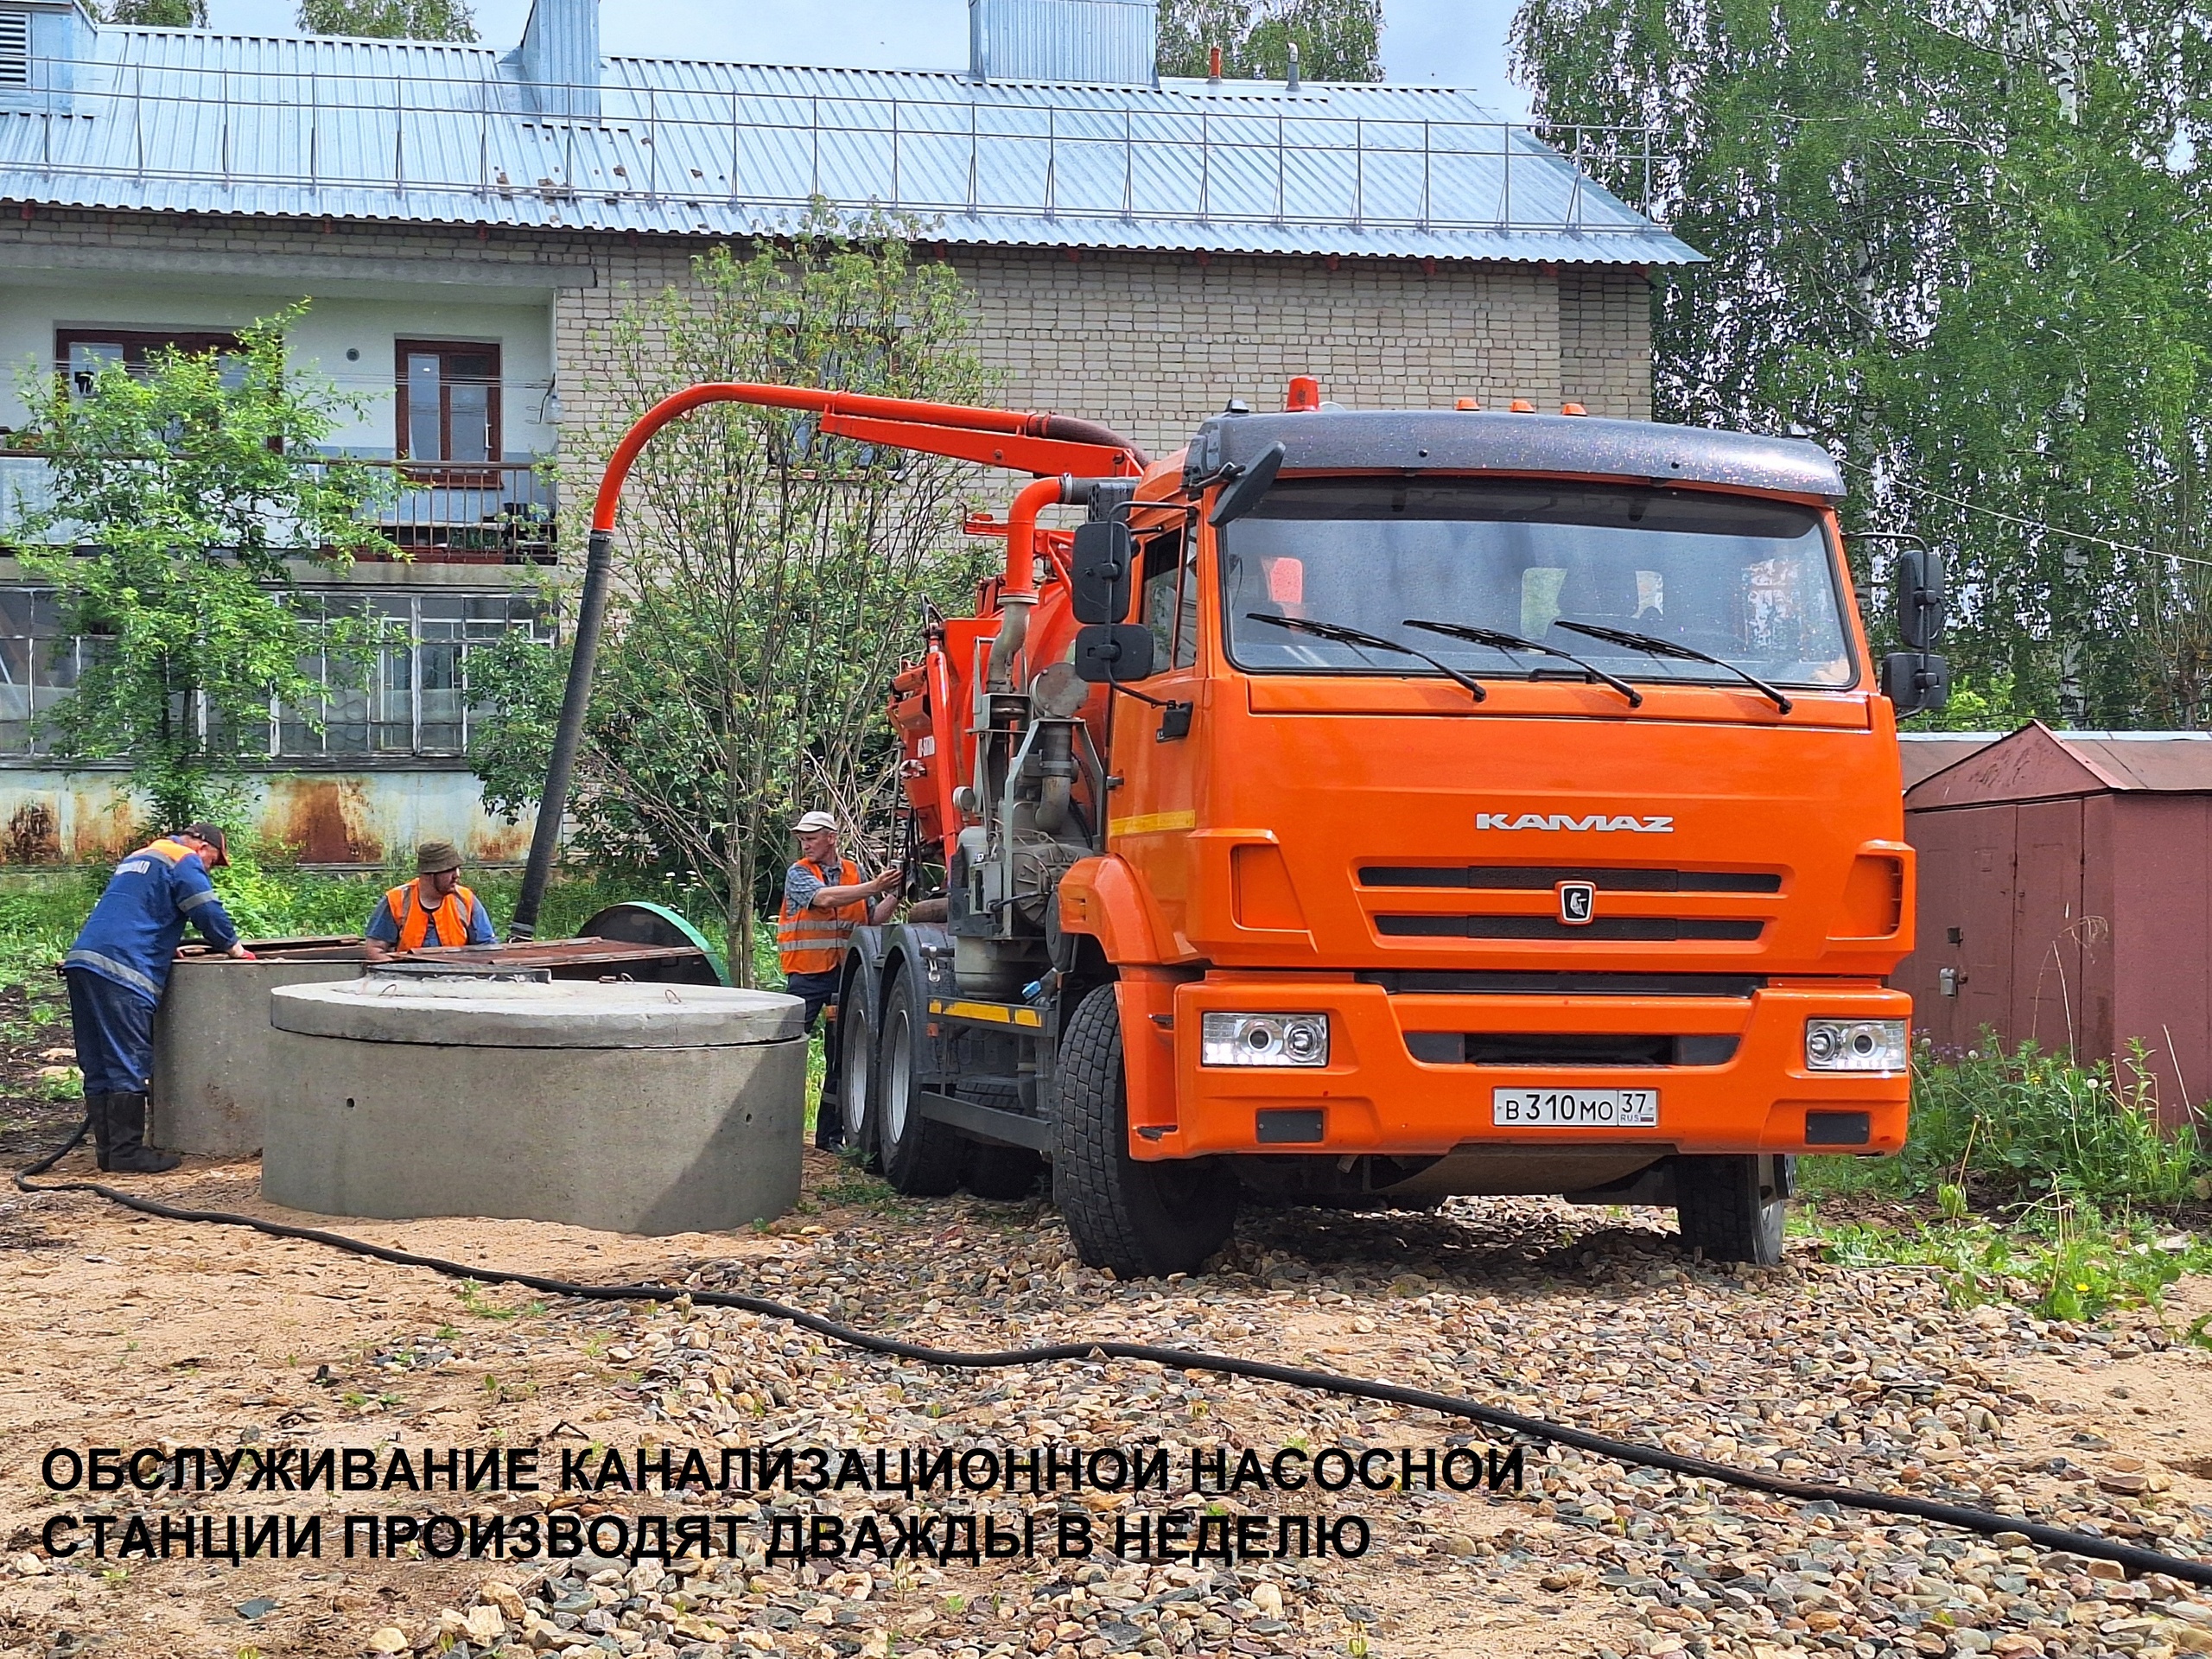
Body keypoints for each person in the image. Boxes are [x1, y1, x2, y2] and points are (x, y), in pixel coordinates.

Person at [63, 823, 253, 1175]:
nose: (211, 866)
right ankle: (126, 1153)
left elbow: (140, 914)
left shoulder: (139, 857)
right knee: (127, 1059)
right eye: (214, 859)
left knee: (99, 1062)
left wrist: (169, 945)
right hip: (123, 969)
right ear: (201, 844)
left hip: (85, 961)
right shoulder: (181, 858)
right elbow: (205, 909)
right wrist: (234, 948)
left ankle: (109, 1152)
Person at [778, 810, 900, 1150]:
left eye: (812, 837)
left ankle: (828, 1138)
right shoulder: (799, 873)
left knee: (840, 1056)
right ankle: (778, 1131)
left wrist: (895, 894)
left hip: (843, 978)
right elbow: (824, 899)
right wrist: (875, 885)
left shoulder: (853, 873)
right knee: (787, 1054)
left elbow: (872, 919)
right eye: (802, 838)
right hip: (805, 976)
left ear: (832, 837)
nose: (805, 844)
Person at [363, 841, 497, 961]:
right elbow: (374, 949)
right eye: (449, 870)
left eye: (457, 869)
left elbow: (487, 947)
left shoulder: (466, 899)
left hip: (457, 979)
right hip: (407, 979)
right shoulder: (396, 900)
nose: (457, 875)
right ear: (430, 874)